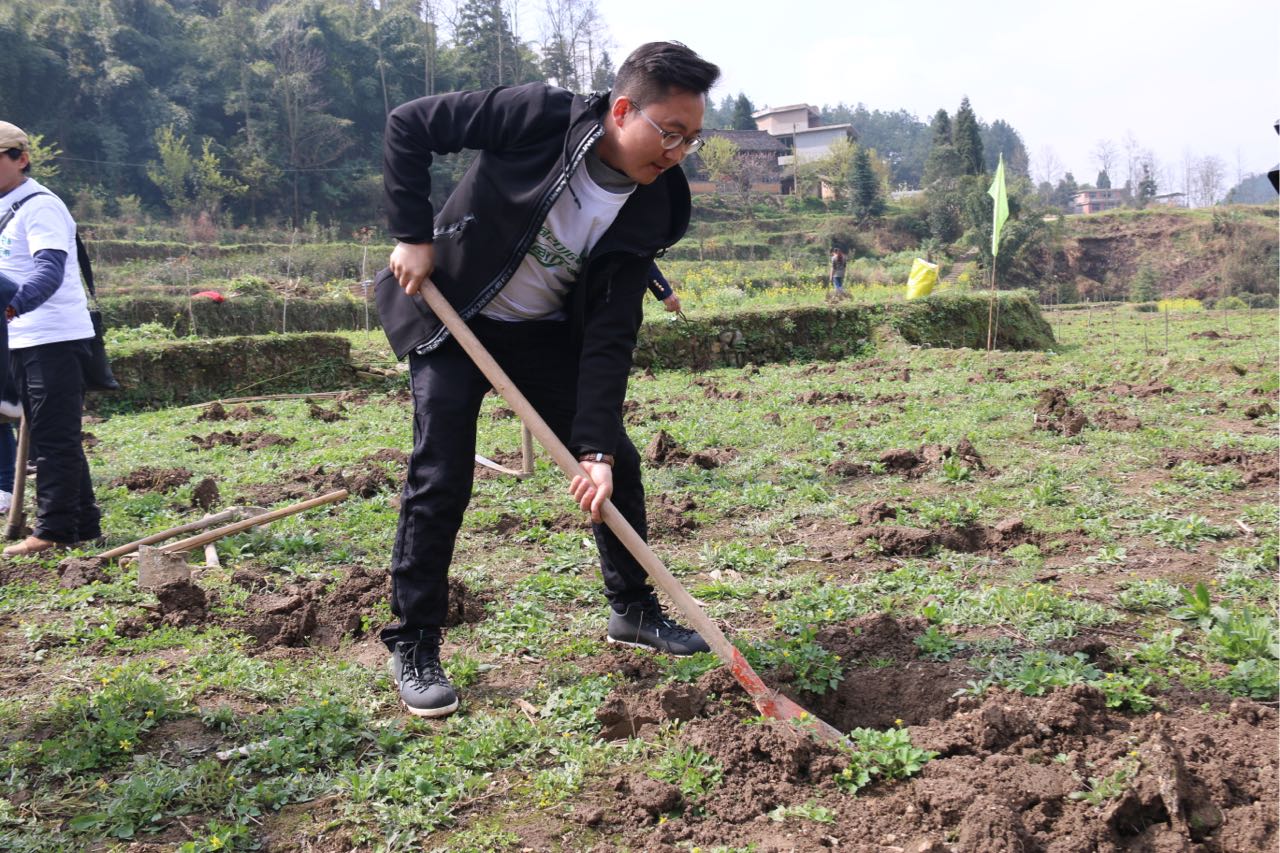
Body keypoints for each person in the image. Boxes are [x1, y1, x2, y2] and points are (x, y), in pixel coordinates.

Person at [376, 42, 720, 717]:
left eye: (692, 139)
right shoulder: (538, 116)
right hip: (455, 315)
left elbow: (611, 332)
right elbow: (409, 124)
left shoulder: (654, 205)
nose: (677, 151)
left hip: (539, 335)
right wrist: (414, 234)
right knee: (440, 473)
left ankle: (634, 610)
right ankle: (414, 640)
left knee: (615, 455)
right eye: (669, 132)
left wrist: (591, 448)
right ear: (623, 110)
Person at [0, 121, 101, 556]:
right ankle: (84, 522)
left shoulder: (40, 206)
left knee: (55, 438)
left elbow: (49, 269)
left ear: (20, 158)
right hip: (23, 336)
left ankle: (54, 531)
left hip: (53, 336)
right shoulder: (7, 207)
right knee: (48, 432)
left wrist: (14, 306)